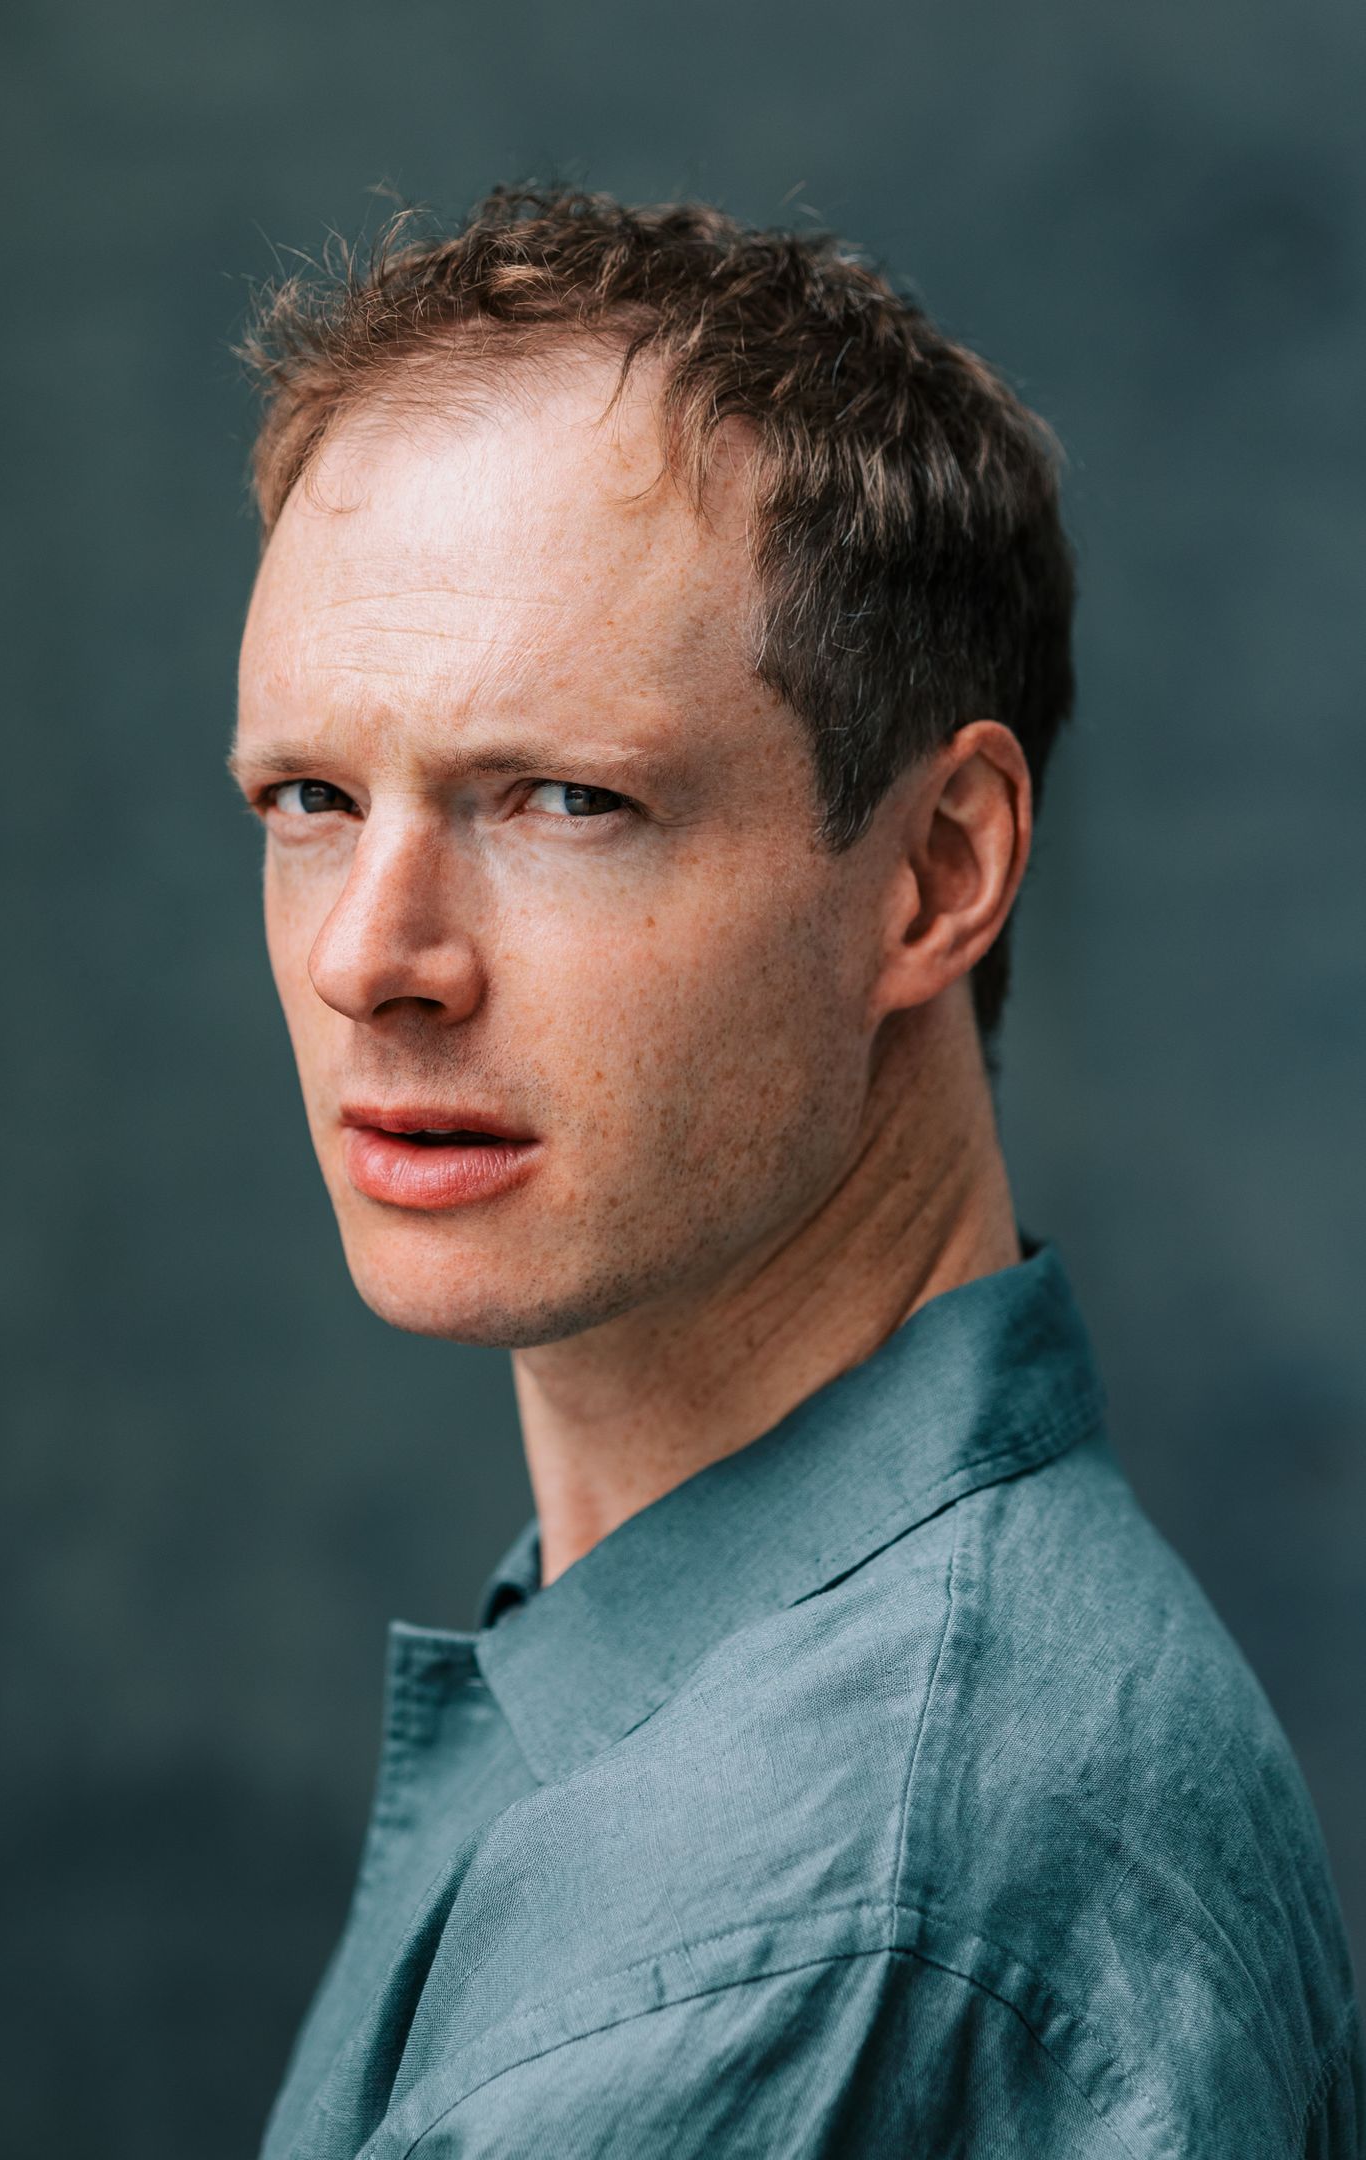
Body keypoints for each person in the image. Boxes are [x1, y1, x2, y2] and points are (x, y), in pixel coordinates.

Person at [229, 188, 1362, 2157]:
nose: (369, 957)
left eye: (565, 799)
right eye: (312, 796)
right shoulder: (751, 1703)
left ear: (935, 871)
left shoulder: (824, 1934)